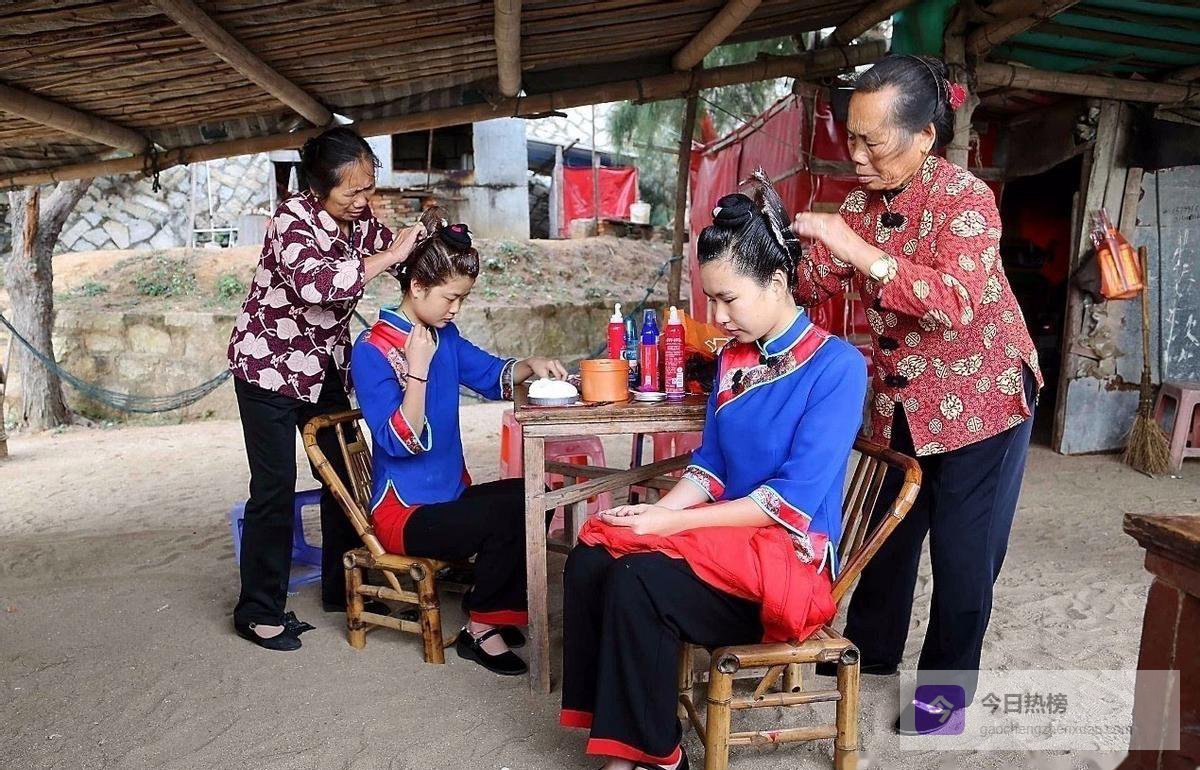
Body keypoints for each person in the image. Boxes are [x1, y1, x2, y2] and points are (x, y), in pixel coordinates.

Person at [560, 178, 867, 770]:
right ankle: (622, 733)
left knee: (638, 579)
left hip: (784, 564)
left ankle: (652, 755)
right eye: (711, 301)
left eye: (729, 299)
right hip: (724, 541)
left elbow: (791, 502)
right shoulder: (734, 358)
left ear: (776, 281)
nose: (718, 317)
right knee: (593, 555)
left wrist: (668, 527)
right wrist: (657, 513)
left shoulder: (837, 368)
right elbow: (712, 467)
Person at [789, 54, 1043, 732]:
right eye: (851, 136)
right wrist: (781, 246)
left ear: (925, 135)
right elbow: (813, 283)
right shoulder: (858, 204)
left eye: (873, 141)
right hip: (902, 396)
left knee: (964, 553)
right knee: (889, 531)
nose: (857, 154)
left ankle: (943, 699)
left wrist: (855, 249)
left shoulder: (966, 200)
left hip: (982, 398)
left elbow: (954, 302)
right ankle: (872, 652)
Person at [228, 126, 425, 651]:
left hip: (322, 369)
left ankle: (345, 589)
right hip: (268, 368)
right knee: (274, 487)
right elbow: (318, 285)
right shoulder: (291, 219)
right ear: (319, 188)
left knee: (345, 476)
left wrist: (431, 240)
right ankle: (257, 610)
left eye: (368, 188)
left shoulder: (359, 221)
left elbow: (399, 253)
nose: (362, 201)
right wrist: (389, 257)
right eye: (351, 192)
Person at [350, 216, 567, 676]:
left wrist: (531, 364)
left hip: (450, 496)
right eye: (450, 297)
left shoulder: (443, 335)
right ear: (417, 286)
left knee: (538, 495)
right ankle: (481, 627)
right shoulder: (371, 349)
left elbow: (490, 374)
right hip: (404, 514)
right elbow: (400, 441)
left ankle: (491, 606)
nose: (456, 309)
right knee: (504, 517)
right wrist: (417, 368)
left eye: (462, 298)